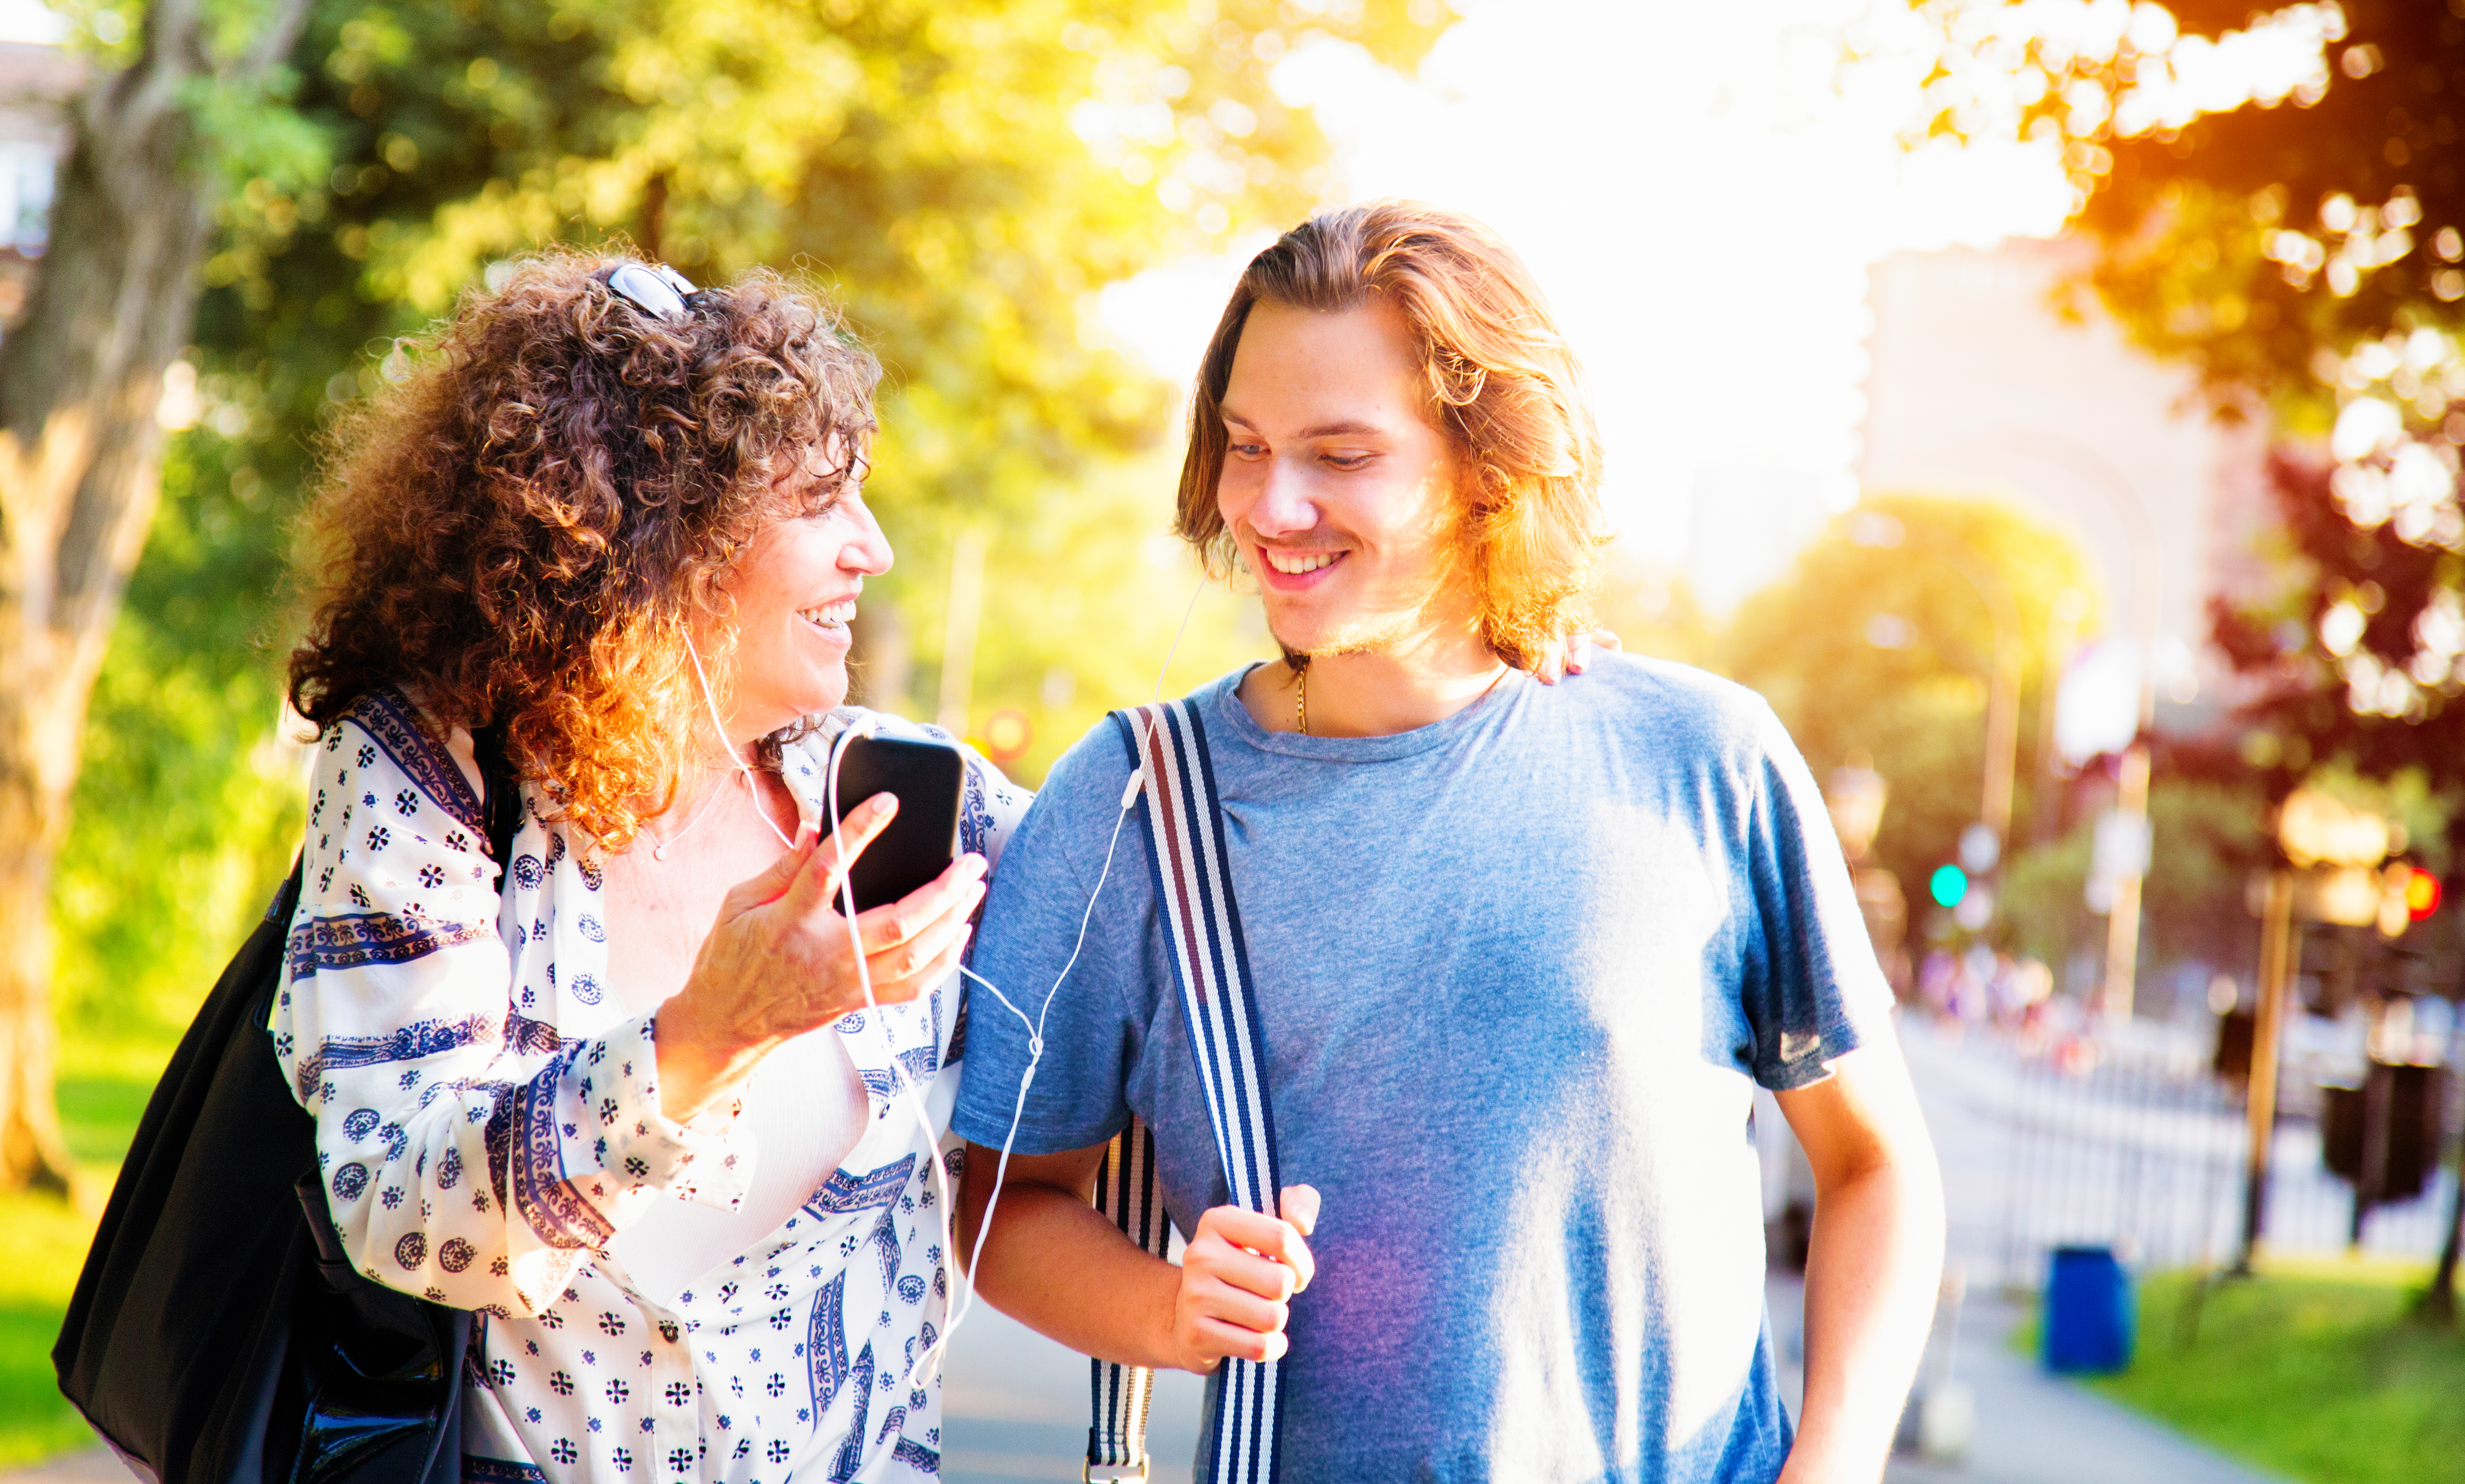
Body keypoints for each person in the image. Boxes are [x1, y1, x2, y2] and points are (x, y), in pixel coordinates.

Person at [953, 202, 1946, 1483]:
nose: (1272, 503)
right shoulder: (1134, 802)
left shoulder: (1704, 757)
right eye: (1245, 446)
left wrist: (1836, 1462)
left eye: (1341, 453)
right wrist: (1166, 1310)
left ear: (1490, 467)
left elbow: (1873, 1167)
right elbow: (999, 1200)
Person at [277, 251, 1016, 1484]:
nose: (873, 548)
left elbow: (1172, 945)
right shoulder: (436, 777)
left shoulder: (892, 792)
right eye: (822, 499)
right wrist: (711, 1035)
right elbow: (404, 1213)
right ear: (665, 531)